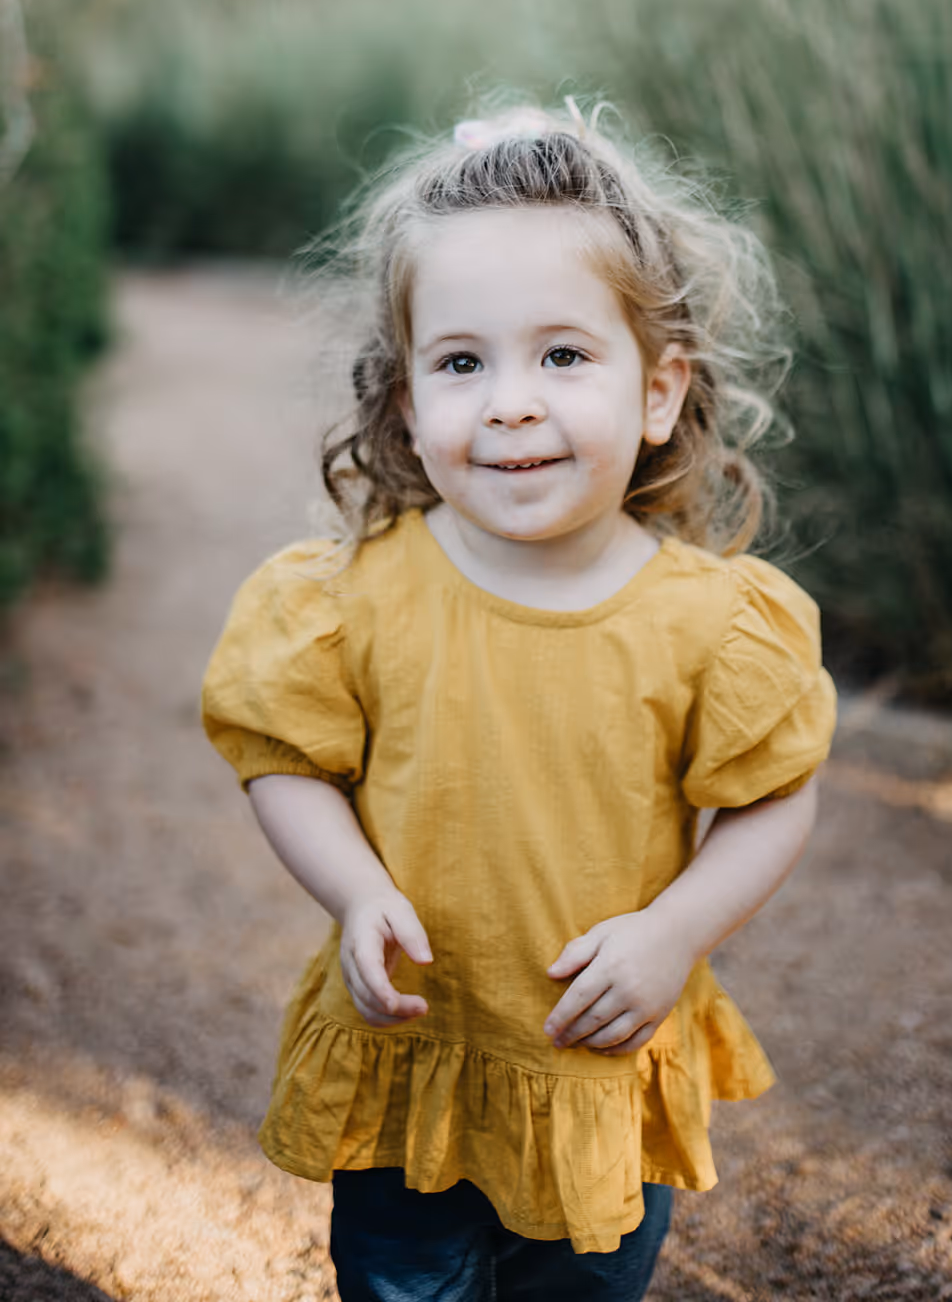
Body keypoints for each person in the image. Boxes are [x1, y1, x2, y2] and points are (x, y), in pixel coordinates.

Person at [201, 94, 838, 1301]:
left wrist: (675, 933)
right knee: (402, 1285)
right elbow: (284, 756)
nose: (510, 401)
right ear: (406, 402)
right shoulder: (353, 597)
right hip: (413, 1054)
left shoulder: (708, 621)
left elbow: (772, 802)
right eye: (460, 362)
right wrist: (353, 888)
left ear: (657, 391)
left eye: (562, 354)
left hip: (598, 1057)